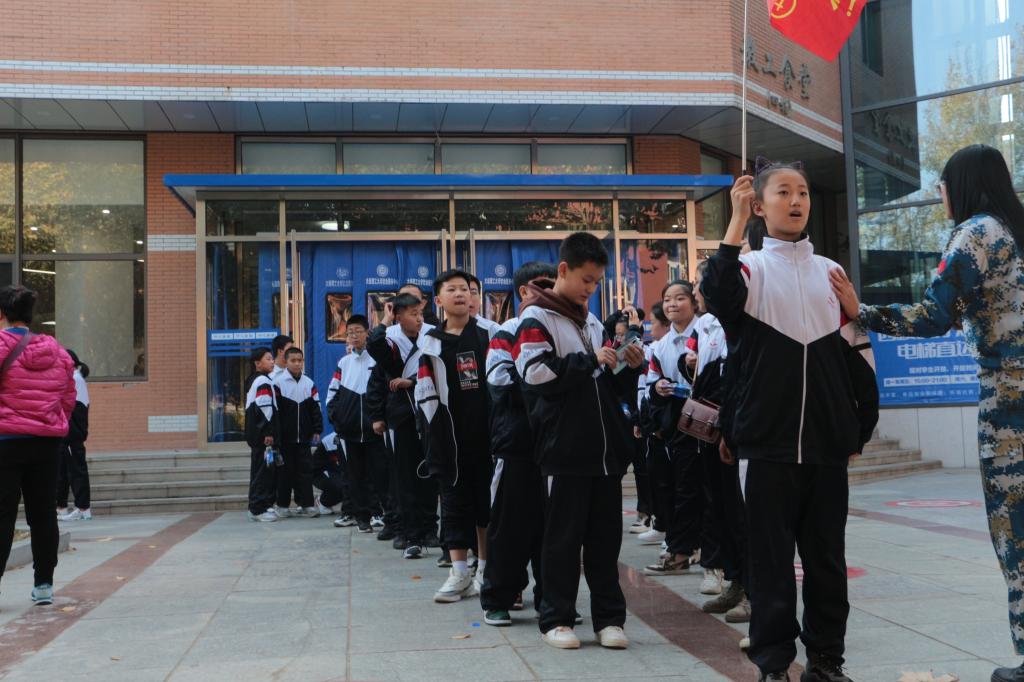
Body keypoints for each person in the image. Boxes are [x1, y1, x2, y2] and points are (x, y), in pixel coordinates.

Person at [830, 144, 1024, 682]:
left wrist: (861, 311)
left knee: (1015, 529)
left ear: (961, 185)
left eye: (941, 186)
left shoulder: (976, 233)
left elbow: (934, 315)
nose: (940, 196)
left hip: (1010, 405)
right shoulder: (1014, 231)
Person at [702, 160, 878, 682]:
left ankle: (826, 662)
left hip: (826, 447)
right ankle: (773, 664)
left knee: (826, 562)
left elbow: (860, 356)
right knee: (770, 564)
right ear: (760, 204)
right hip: (765, 444)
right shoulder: (748, 268)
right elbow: (719, 297)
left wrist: (858, 427)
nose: (797, 200)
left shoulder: (831, 272)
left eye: (802, 191)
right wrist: (734, 223)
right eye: (783, 192)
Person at [514, 232, 645, 650]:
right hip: (564, 450)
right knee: (562, 541)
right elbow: (534, 374)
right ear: (563, 270)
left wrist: (626, 366)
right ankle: (556, 618)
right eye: (586, 280)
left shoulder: (589, 320)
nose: (591, 288)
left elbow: (601, 382)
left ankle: (609, 620)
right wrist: (590, 360)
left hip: (604, 452)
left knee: (605, 542)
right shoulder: (536, 319)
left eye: (596, 282)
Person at [479, 261, 557, 626]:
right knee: (508, 524)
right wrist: (550, 381)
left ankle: (551, 598)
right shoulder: (506, 331)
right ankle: (499, 596)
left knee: (553, 527)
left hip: (558, 444)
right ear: (524, 291)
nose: (552, 291)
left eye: (555, 284)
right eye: (544, 285)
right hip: (516, 443)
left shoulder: (567, 327)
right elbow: (500, 384)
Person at [416, 269, 493, 599]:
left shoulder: (490, 333)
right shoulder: (429, 342)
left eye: (466, 289)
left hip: (487, 435)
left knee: (486, 505)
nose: (461, 294)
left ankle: (486, 569)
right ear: (438, 299)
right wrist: (431, 435)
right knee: (452, 504)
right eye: (452, 289)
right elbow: (424, 392)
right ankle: (459, 572)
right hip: (448, 438)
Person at [0, 285, 76, 607]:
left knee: (2, 516)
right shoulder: (57, 352)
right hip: (46, 444)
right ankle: (44, 584)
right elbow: (69, 398)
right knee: (43, 515)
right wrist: (51, 423)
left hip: (5, 442)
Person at [688, 260, 746, 613]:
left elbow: (734, 379)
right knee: (720, 509)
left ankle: (752, 592)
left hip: (735, 427)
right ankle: (735, 581)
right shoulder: (705, 324)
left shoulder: (739, 319)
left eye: (699, 283)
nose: (695, 290)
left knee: (742, 513)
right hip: (709, 431)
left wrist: (728, 425)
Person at [367, 293, 438, 557]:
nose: (418, 319)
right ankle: (410, 534)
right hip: (401, 417)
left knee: (429, 474)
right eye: (412, 314)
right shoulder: (391, 340)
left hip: (429, 413)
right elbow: (374, 345)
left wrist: (413, 381)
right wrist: (385, 319)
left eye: (420, 312)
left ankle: (430, 529)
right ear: (398, 316)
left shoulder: (431, 335)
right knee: (404, 477)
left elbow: (439, 371)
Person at [642, 280, 703, 576]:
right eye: (667, 299)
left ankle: (687, 550)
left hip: (706, 422)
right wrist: (658, 388)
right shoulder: (661, 346)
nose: (672, 304)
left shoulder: (706, 333)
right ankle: (681, 548)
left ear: (694, 302)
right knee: (679, 488)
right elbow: (650, 383)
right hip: (676, 424)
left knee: (694, 490)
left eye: (680, 298)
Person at [326, 314, 386, 533]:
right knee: (354, 477)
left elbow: (384, 391)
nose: (354, 336)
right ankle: (362, 518)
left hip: (375, 431)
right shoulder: (344, 363)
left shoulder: (377, 360)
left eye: (358, 331)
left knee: (379, 475)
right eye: (350, 332)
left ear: (367, 333)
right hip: (349, 432)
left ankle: (381, 514)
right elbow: (332, 394)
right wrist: (338, 419)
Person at [629, 302, 669, 535]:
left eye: (653, 323)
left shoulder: (663, 348)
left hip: (664, 422)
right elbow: (643, 388)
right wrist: (639, 419)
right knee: (653, 474)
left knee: (666, 478)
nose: (650, 328)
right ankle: (659, 523)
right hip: (648, 420)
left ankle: (667, 527)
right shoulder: (654, 347)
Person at [273, 347, 322, 517]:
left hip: (304, 438)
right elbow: (274, 412)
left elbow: (316, 408)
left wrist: (317, 429)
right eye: (293, 360)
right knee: (285, 472)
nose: (296, 364)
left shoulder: (309, 383)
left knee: (305, 472)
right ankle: (282, 506)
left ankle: (307, 505)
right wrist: (275, 434)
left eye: (299, 360)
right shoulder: (278, 383)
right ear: (285, 362)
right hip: (284, 439)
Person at [245, 346, 280, 523]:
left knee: (262, 470)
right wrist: (268, 432)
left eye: (272, 358)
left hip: (257, 434)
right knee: (262, 472)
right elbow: (265, 407)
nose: (272, 362)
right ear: (257, 363)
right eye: (268, 359)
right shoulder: (262, 381)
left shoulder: (256, 380)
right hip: (262, 436)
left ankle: (262, 505)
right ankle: (257, 509)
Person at [56, 349, 91, 522]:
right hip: (68, 433)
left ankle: (83, 508)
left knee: (76, 470)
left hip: (72, 434)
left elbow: (74, 409)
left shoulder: (75, 378)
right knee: (63, 471)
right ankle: (62, 507)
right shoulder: (74, 378)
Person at [311, 432, 345, 516]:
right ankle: (323, 502)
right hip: (320, 472)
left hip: (337, 471)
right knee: (342, 486)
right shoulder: (332, 439)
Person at [467, 273, 501, 338]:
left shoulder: (493, 329)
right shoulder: (446, 332)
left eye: (473, 293)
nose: (468, 298)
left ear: (480, 298)